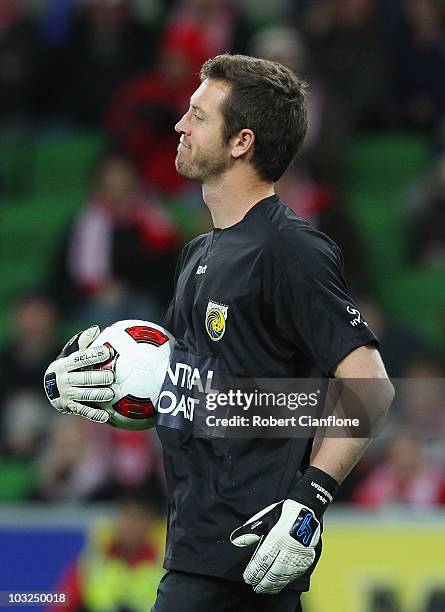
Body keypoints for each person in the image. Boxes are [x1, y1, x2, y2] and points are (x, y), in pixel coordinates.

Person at [44, 54, 394, 611]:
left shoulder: (290, 250)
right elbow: (202, 401)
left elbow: (370, 385)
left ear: (241, 142)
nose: (179, 126)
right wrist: (120, 393)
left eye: (198, 116)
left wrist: (308, 502)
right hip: (193, 553)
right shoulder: (198, 253)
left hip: (247, 565)